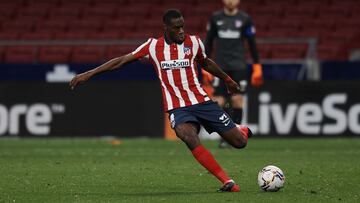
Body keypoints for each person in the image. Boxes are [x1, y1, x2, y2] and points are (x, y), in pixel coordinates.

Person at [69, 9, 252, 192]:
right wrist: (89, 73)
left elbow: (205, 62)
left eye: (183, 26)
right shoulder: (152, 46)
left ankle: (239, 129)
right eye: (176, 28)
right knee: (186, 135)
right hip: (177, 108)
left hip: (201, 102)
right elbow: (121, 61)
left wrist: (227, 80)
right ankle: (227, 181)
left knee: (239, 143)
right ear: (166, 28)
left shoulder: (194, 42)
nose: (181, 31)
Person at [204, 0, 263, 147]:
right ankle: (224, 137)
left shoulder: (245, 19)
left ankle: (237, 136)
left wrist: (257, 66)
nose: (231, 1)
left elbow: (252, 43)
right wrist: (204, 65)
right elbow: (209, 41)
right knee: (219, 101)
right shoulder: (215, 18)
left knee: (237, 100)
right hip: (219, 66)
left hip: (239, 66)